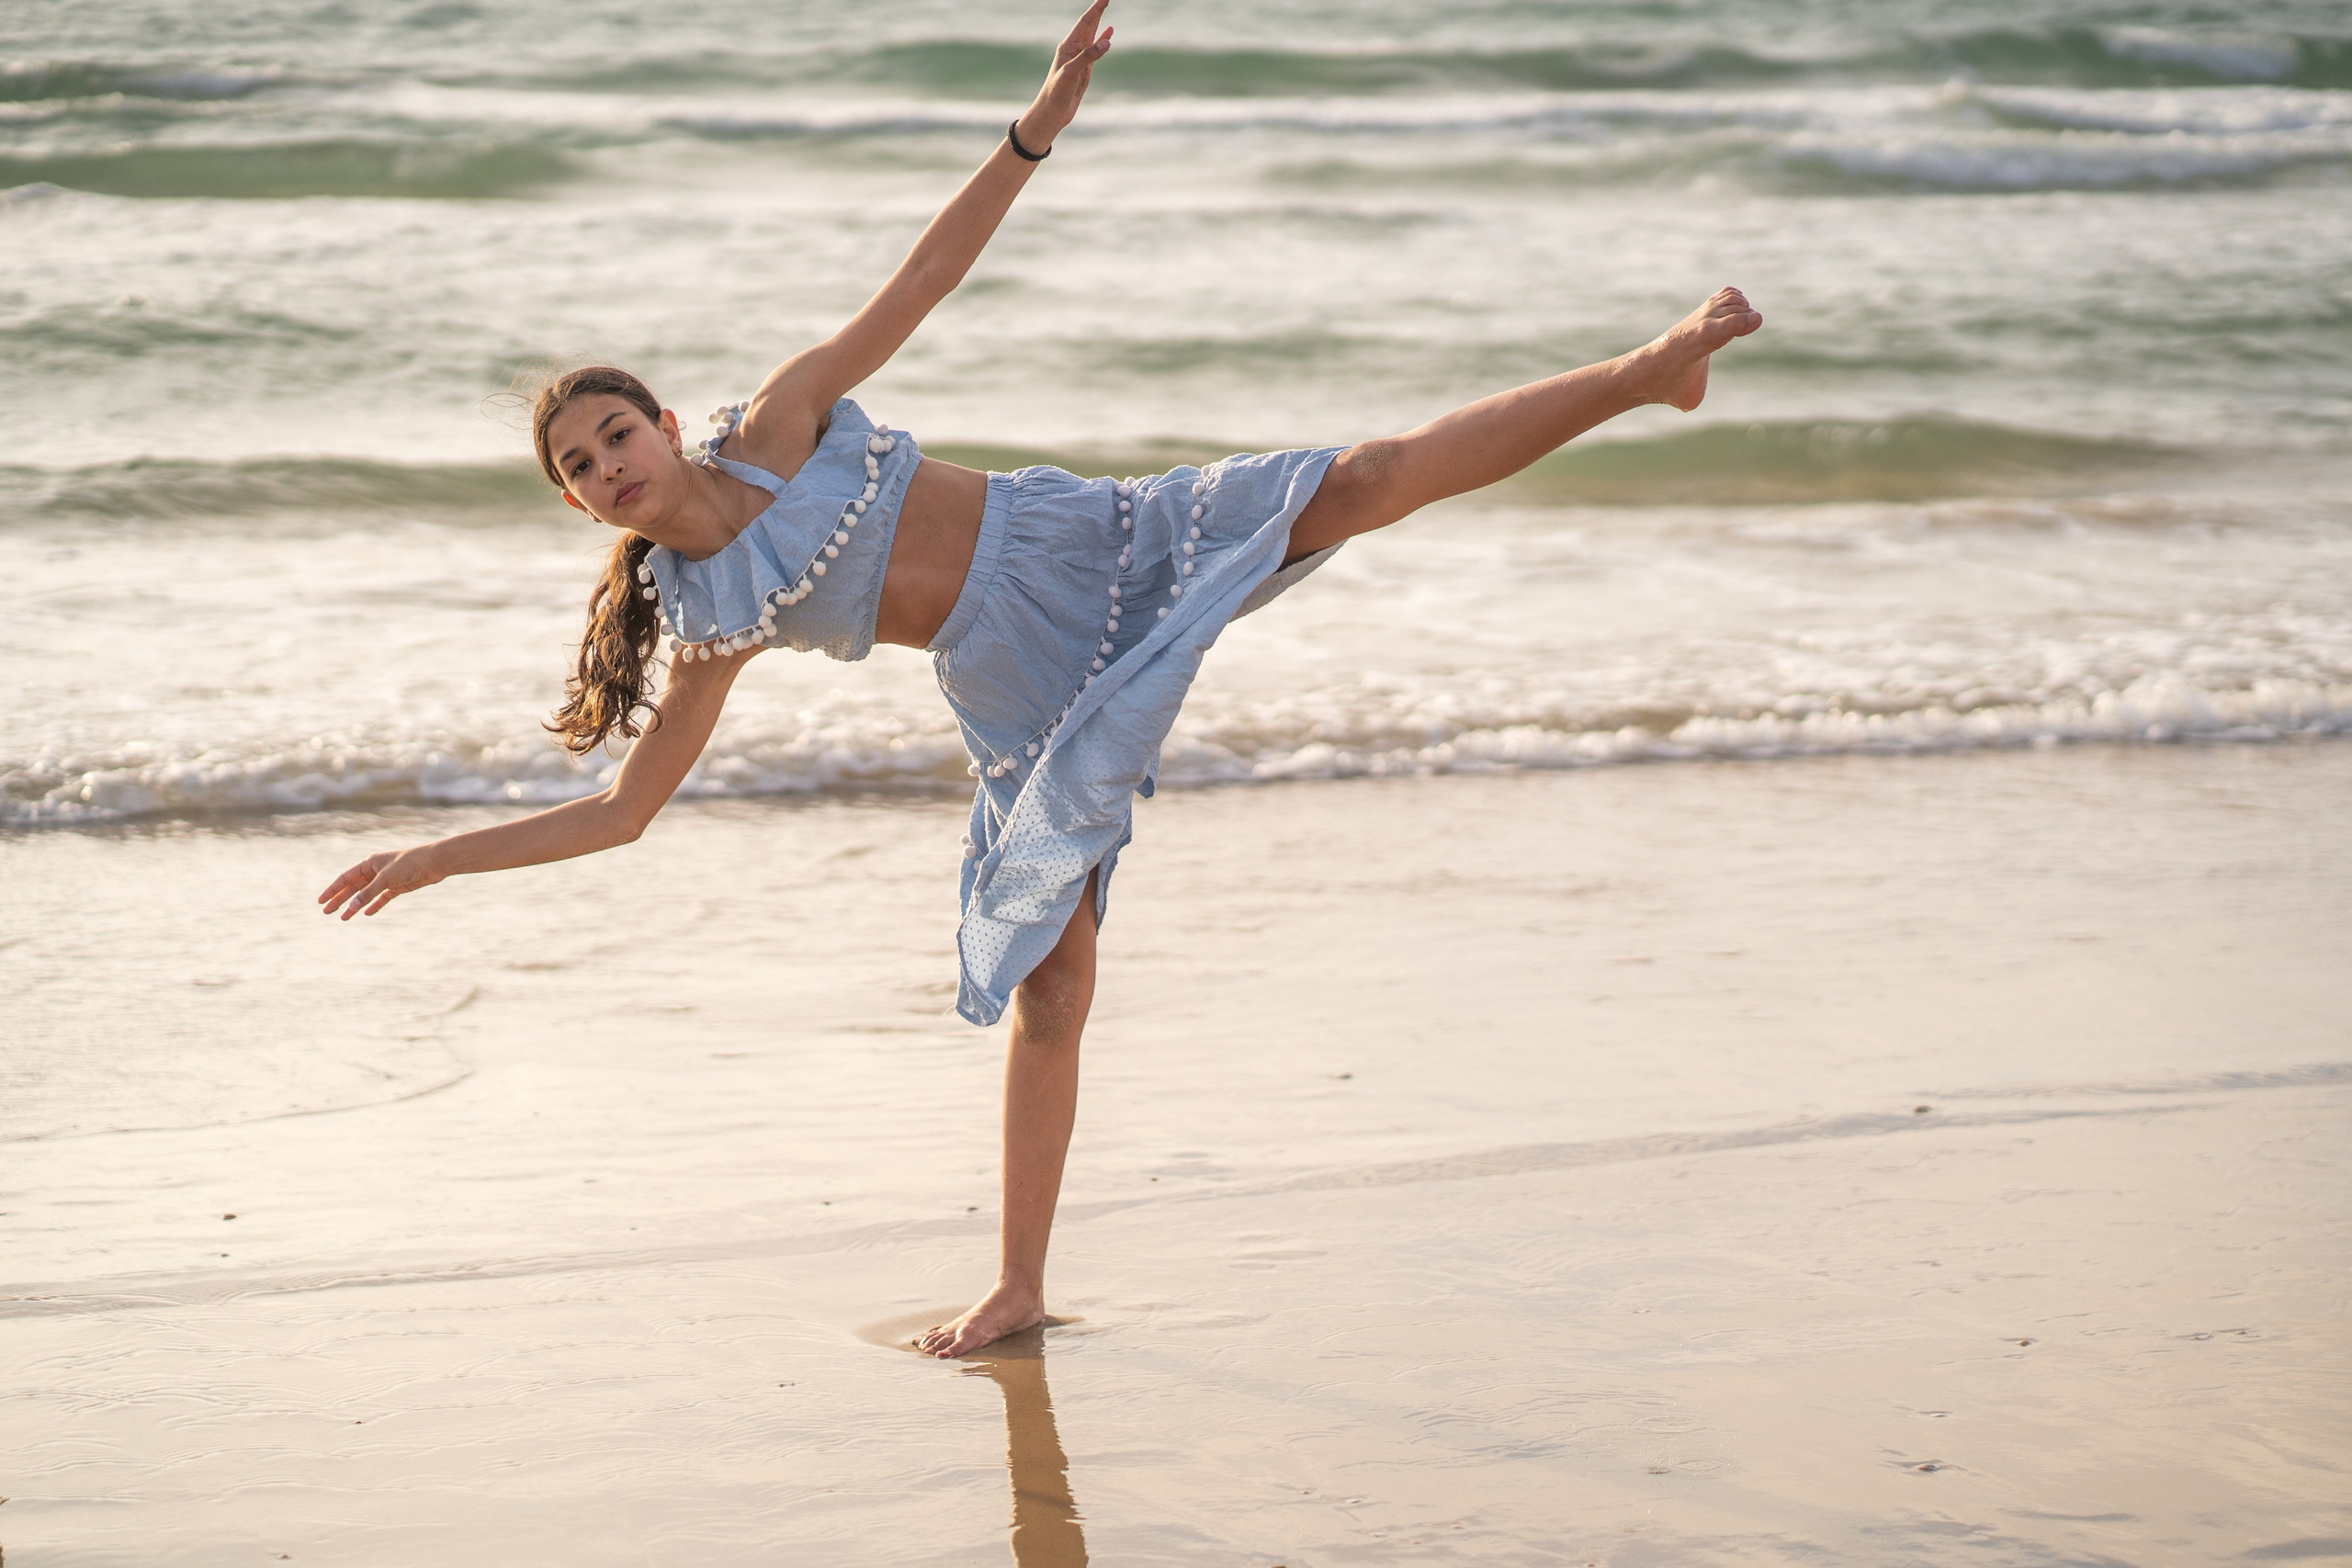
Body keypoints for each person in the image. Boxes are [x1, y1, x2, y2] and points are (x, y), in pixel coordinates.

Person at [315, 0, 1762, 1358]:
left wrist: (1033, 128)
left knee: (1367, 481)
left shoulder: (788, 419)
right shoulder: (707, 622)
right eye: (579, 468)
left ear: (666, 421)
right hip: (1011, 689)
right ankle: (1018, 1283)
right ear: (580, 508)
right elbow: (624, 814)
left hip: (1095, 542)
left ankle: (1652, 367)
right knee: (1052, 983)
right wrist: (438, 858)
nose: (607, 465)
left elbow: (926, 276)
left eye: (615, 432)